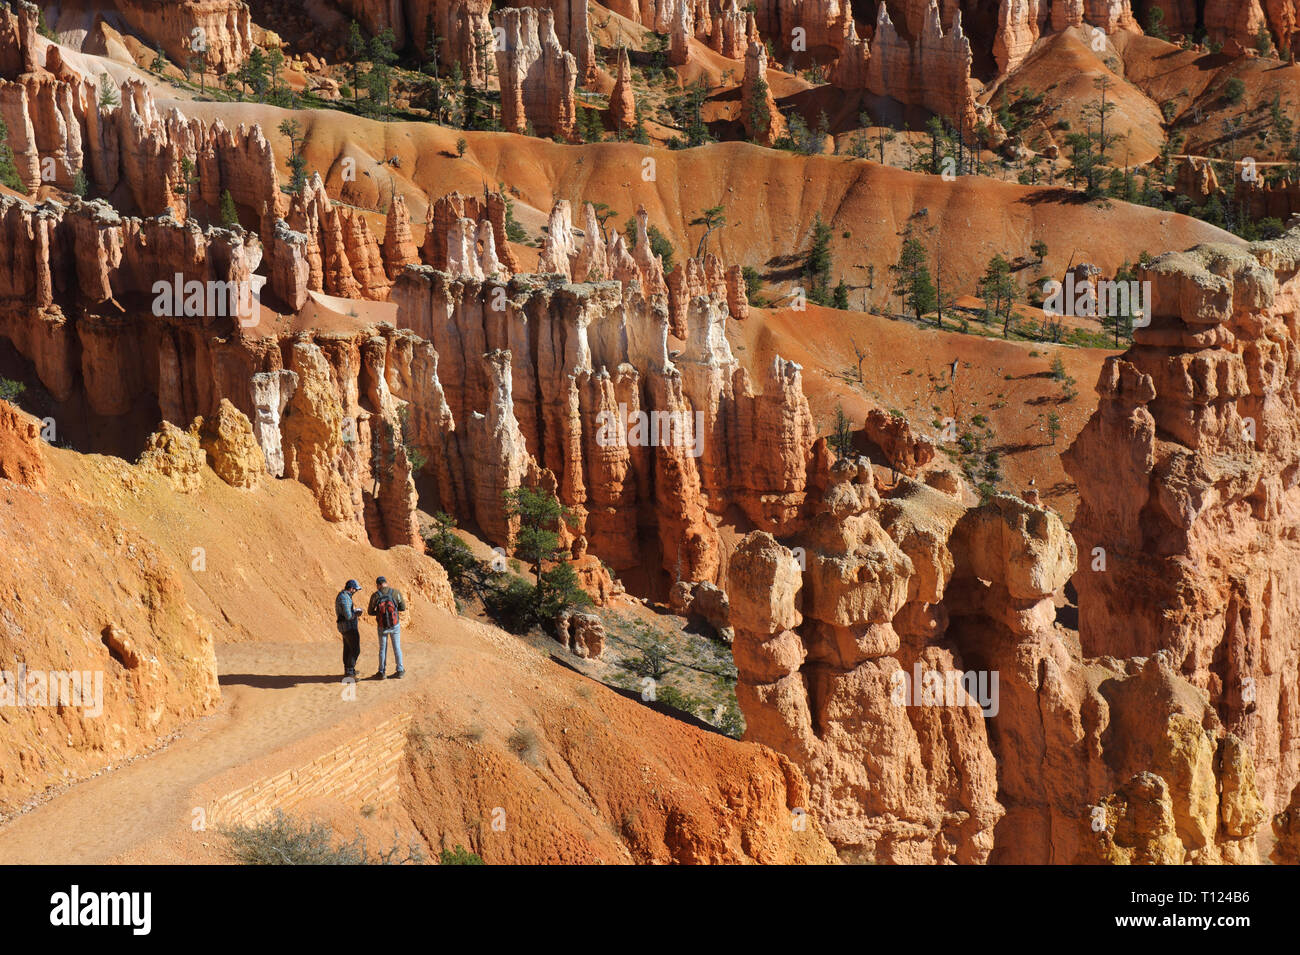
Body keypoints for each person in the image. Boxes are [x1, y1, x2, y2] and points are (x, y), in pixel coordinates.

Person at [367, 575, 407, 679]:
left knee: (382, 649)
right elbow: (403, 607)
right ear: (386, 583)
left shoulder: (375, 595)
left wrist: (380, 614)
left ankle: (381, 672)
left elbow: (370, 612)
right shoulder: (395, 592)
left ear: (378, 585)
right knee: (397, 647)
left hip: (382, 626)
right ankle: (400, 670)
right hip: (395, 625)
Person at [335, 579, 363, 679]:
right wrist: (357, 613)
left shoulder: (343, 596)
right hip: (348, 627)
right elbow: (348, 615)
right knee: (355, 649)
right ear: (351, 588)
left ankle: (348, 670)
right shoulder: (345, 598)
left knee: (348, 648)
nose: (356, 591)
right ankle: (350, 673)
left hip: (344, 627)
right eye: (355, 589)